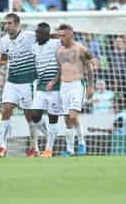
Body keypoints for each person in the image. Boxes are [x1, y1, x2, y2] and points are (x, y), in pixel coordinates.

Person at [0, 13, 42, 158]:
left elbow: (46, 36)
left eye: (10, 23)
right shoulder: (4, 41)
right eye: (5, 23)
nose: (7, 26)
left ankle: (34, 147)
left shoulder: (30, 36)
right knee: (5, 109)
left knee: (29, 117)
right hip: (11, 82)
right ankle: (2, 146)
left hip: (28, 82)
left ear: (17, 24)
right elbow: (3, 60)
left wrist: (62, 34)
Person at [47, 24, 94, 157]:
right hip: (64, 86)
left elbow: (89, 68)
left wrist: (91, 86)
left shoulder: (80, 49)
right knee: (67, 119)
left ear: (71, 35)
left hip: (77, 85)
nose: (61, 38)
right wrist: (53, 81)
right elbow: (61, 69)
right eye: (60, 35)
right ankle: (70, 149)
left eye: (64, 36)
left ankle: (82, 142)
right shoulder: (59, 51)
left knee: (73, 115)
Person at [31, 22, 60, 158]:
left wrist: (53, 34)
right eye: (36, 32)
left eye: (40, 33)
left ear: (47, 34)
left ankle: (48, 150)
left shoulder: (55, 43)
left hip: (55, 87)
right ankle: (50, 135)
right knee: (35, 116)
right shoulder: (34, 47)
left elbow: (66, 37)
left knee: (52, 118)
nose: (37, 35)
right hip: (41, 87)